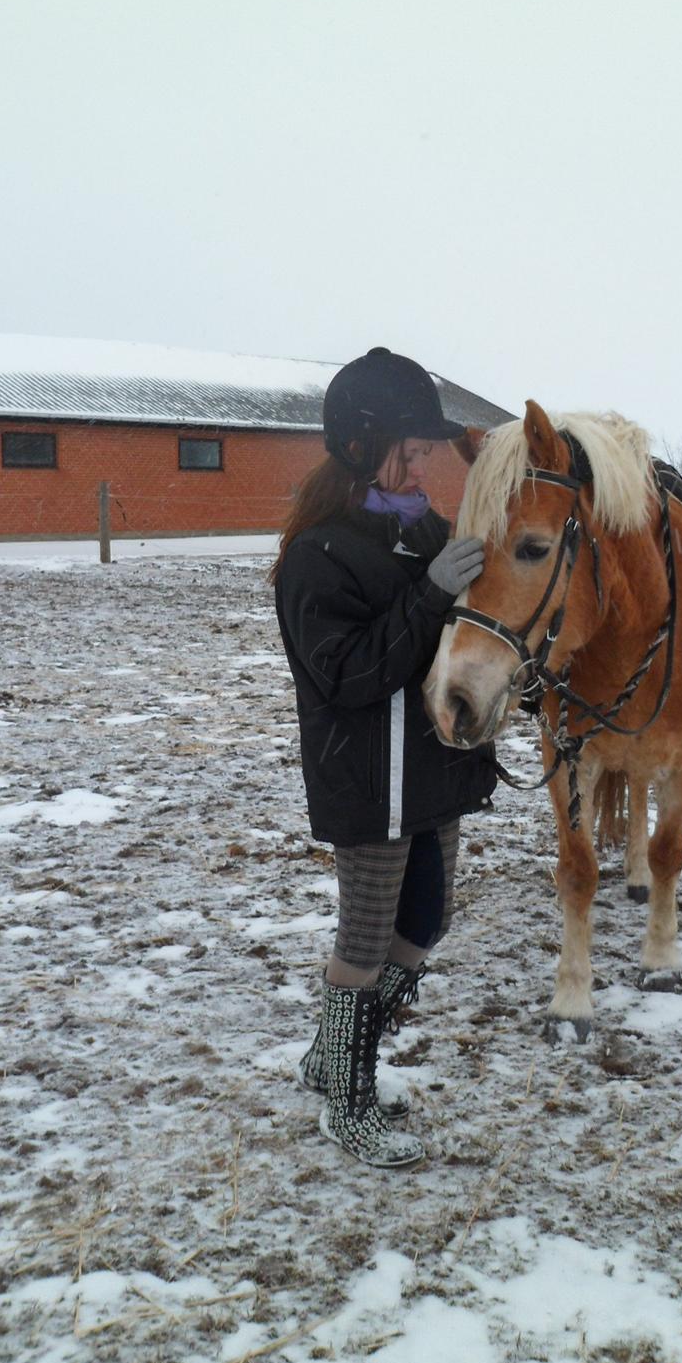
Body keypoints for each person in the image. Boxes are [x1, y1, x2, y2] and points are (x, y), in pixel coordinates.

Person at [271, 346, 496, 1167]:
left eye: (431, 447)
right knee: (364, 944)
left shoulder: (429, 530)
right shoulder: (317, 555)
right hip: (370, 781)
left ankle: (333, 1056)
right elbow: (350, 673)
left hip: (435, 771)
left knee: (425, 926)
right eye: (413, 445)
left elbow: (471, 640)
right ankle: (349, 1098)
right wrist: (432, 592)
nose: (428, 461)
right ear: (362, 446)